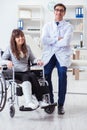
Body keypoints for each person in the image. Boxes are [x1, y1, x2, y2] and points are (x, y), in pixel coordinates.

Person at [2, 29, 50, 110]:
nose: (21, 38)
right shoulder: (10, 48)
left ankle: (40, 101)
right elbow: (1, 60)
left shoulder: (27, 47)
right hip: (15, 71)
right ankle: (29, 102)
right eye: (18, 37)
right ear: (14, 39)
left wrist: (37, 61)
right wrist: (7, 62)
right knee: (27, 77)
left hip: (25, 71)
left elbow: (33, 59)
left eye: (22, 36)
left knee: (32, 75)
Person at [41, 3, 73, 114]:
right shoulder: (47, 26)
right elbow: (44, 40)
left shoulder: (69, 26)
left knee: (62, 74)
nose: (59, 12)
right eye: (57, 10)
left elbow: (66, 42)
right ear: (54, 11)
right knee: (46, 74)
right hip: (50, 54)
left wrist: (53, 41)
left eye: (61, 10)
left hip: (62, 54)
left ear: (64, 12)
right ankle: (51, 101)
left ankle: (60, 105)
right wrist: (57, 39)